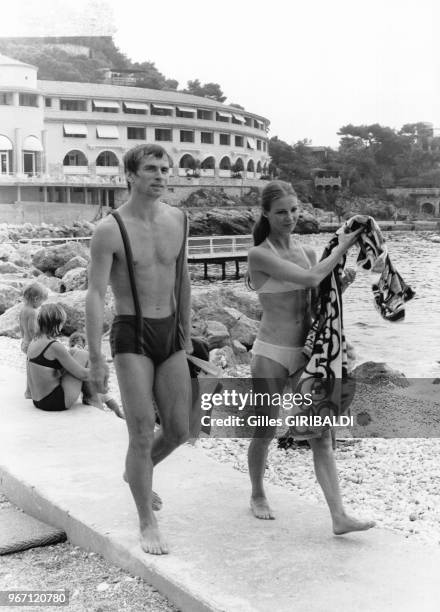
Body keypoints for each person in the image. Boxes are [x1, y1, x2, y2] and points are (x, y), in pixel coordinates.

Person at [247, 180, 375, 535]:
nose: (289, 217)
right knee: (265, 429)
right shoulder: (260, 254)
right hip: (271, 353)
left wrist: (341, 284)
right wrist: (344, 244)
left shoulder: (304, 250)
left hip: (306, 354)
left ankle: (339, 516)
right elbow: (309, 276)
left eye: (294, 210)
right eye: (281, 212)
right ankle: (257, 493)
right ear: (266, 214)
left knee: (321, 434)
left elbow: (315, 294)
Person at [85, 143, 192, 556]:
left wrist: (185, 329)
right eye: (151, 168)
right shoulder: (109, 230)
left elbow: (182, 279)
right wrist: (96, 357)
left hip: (171, 333)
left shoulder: (179, 219)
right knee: (142, 432)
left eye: (165, 168)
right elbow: (94, 294)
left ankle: (136, 475)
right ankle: (147, 519)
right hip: (132, 333)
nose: (161, 175)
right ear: (129, 175)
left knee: (181, 430)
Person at [27, 303, 97, 412]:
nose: (62, 327)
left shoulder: (34, 341)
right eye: (62, 323)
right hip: (55, 401)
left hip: (38, 400)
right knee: (84, 354)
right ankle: (91, 398)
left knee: (75, 351)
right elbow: (83, 374)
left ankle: (90, 397)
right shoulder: (53, 345)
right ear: (56, 323)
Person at [68, 332, 123, 418]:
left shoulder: (85, 351)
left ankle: (120, 415)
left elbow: (100, 359)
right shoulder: (72, 353)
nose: (76, 344)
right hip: (88, 388)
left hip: (95, 385)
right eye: (74, 342)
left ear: (83, 343)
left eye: (79, 341)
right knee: (100, 400)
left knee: (110, 400)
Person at [19, 282, 48, 398]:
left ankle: (28, 391)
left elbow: (22, 328)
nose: (41, 304)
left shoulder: (23, 310)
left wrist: (24, 339)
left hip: (24, 343)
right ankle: (31, 391)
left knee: (30, 368)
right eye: (42, 301)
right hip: (31, 344)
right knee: (35, 369)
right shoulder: (33, 312)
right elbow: (32, 329)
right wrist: (39, 341)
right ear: (36, 299)